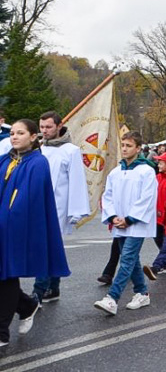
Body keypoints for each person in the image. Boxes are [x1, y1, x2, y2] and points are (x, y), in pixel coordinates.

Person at [0, 119, 69, 345]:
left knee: (7, 275)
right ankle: (27, 305)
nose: (14, 137)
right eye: (12, 133)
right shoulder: (5, 160)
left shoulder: (38, 163)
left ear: (32, 137)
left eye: (20, 133)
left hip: (14, 227)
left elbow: (26, 199)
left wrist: (6, 221)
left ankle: (1, 333)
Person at [30, 110, 90, 304]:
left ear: (58, 126)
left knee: (45, 248)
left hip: (58, 206)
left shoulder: (71, 150)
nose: (44, 131)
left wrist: (75, 210)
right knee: (52, 247)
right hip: (38, 205)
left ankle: (38, 292)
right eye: (41, 127)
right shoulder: (38, 148)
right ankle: (53, 287)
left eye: (48, 127)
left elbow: (77, 181)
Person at [94, 131, 157, 316]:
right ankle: (142, 292)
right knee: (132, 260)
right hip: (120, 223)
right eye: (123, 145)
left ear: (138, 148)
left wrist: (130, 219)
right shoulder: (115, 171)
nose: (124, 149)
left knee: (127, 258)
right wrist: (113, 217)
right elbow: (108, 196)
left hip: (136, 224)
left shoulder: (146, 171)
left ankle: (112, 298)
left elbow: (147, 198)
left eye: (129, 146)